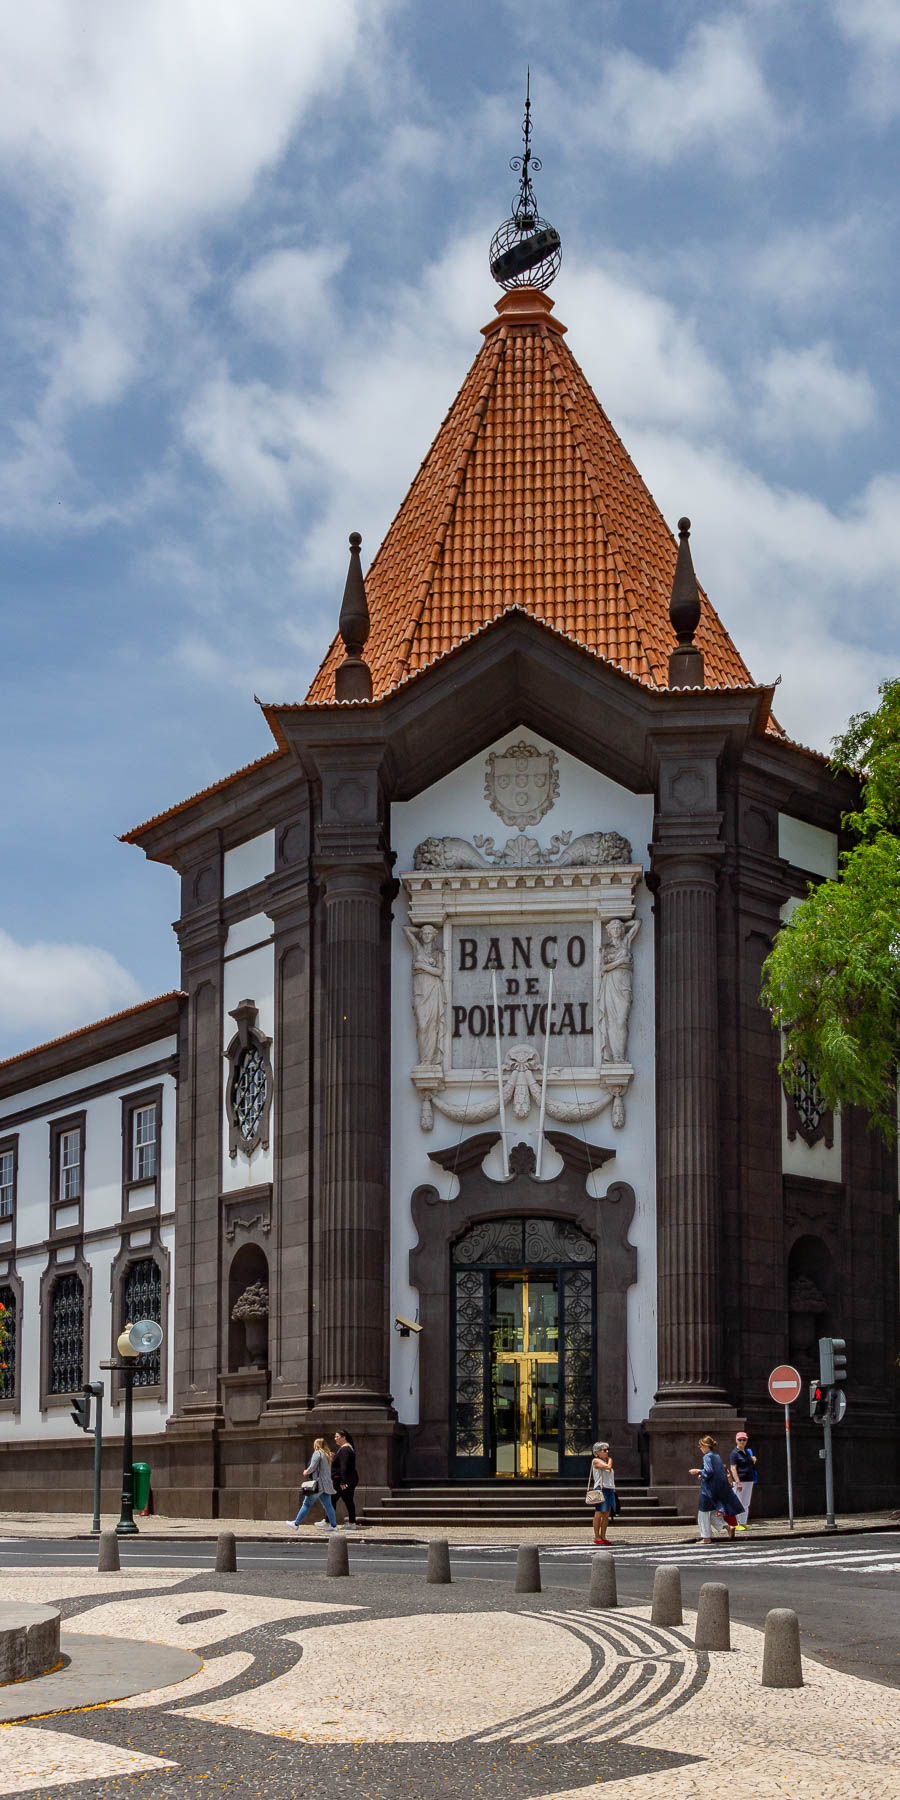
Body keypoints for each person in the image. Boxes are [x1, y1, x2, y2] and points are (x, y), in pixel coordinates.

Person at [689, 1435, 745, 1544]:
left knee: (703, 1514)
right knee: (713, 1514)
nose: (700, 1448)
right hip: (717, 1490)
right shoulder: (717, 1456)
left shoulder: (706, 1457)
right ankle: (728, 1527)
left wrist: (698, 1471)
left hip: (707, 1491)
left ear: (705, 1446)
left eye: (700, 1446)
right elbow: (717, 1472)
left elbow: (709, 1471)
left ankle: (706, 1538)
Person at [287, 1437, 337, 1531]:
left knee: (306, 1504)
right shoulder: (327, 1456)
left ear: (316, 1445)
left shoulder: (317, 1453)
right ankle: (333, 1526)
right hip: (326, 1485)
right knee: (328, 1505)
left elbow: (312, 1466)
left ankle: (296, 1523)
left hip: (318, 1485)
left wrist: (306, 1471)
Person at [586, 1440, 616, 1545]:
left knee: (606, 1514)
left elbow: (610, 1475)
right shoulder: (596, 1461)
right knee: (599, 1513)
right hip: (601, 1489)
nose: (607, 1451)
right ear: (597, 1452)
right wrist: (610, 1460)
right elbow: (608, 1467)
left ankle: (603, 1536)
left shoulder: (607, 1460)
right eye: (604, 1450)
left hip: (609, 1489)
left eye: (607, 1450)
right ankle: (597, 1536)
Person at [729, 1430, 758, 1530]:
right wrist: (738, 1482)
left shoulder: (747, 1452)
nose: (742, 1442)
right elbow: (733, 1468)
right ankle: (736, 1523)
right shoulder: (734, 1453)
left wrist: (753, 1460)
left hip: (749, 1480)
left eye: (744, 1440)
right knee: (738, 1502)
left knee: (746, 1502)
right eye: (740, 1440)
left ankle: (743, 1522)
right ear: (736, 1440)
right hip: (740, 1481)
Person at [332, 1428, 358, 1528]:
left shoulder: (344, 1449)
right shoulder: (348, 1448)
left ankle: (329, 1522)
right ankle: (352, 1523)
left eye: (337, 1437)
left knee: (332, 1499)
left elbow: (344, 1466)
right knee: (348, 1500)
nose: (335, 1439)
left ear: (344, 1437)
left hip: (342, 1480)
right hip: (350, 1479)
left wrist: (343, 1481)